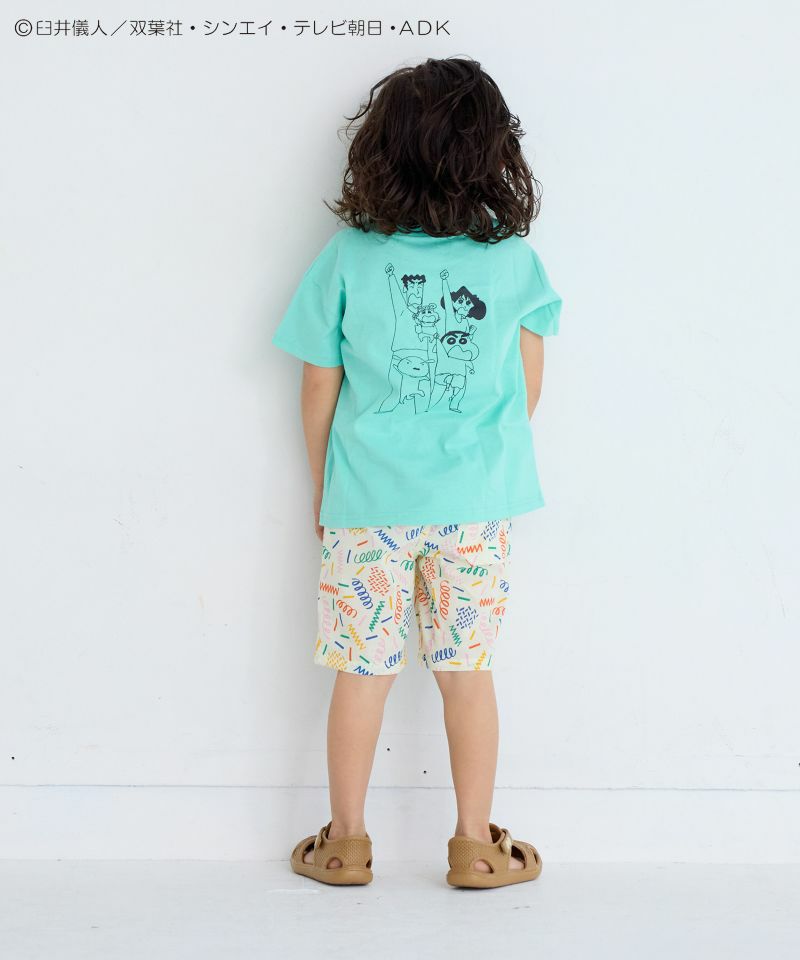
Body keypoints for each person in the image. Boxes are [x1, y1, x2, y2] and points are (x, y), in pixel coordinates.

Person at [272, 56, 562, 889]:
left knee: (361, 673)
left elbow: (319, 387)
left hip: (367, 503)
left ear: (380, 150)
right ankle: (476, 846)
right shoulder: (513, 262)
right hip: (475, 506)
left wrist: (325, 485)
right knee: (467, 676)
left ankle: (344, 844)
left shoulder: (348, 257)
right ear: (493, 152)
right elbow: (526, 386)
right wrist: (478, 463)